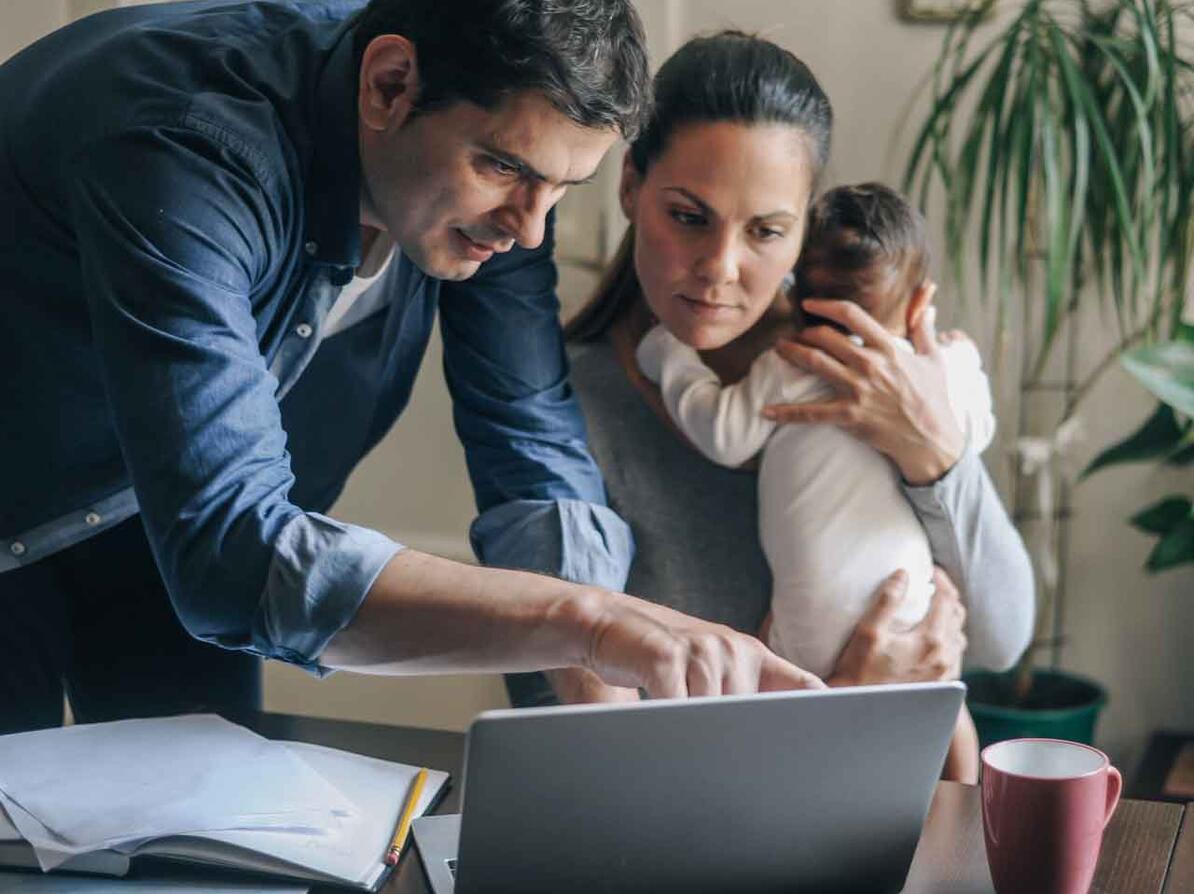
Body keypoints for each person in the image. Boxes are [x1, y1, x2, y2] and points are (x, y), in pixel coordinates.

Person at [0, 0, 827, 736]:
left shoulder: (500, 175)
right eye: (504, 168)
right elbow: (232, 550)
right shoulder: (187, 141)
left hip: (159, 538)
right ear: (390, 86)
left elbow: (526, 437)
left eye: (563, 187)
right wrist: (593, 621)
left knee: (196, 844)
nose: (531, 230)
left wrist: (606, 721)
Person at [523, 32, 1035, 782]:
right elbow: (594, 757)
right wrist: (838, 708)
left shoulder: (863, 376)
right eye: (689, 217)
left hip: (891, 814)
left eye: (766, 231)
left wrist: (937, 455)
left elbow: (1003, 639)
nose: (720, 270)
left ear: (804, 231)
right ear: (631, 184)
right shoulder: (555, 412)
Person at [635, 181, 996, 779]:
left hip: (805, 629)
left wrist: (668, 357)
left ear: (793, 293)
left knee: (796, 749)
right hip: (910, 607)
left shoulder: (790, 364)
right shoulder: (935, 374)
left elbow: (721, 433)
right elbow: (976, 435)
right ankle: (966, 820)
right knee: (946, 711)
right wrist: (965, 362)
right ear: (919, 305)